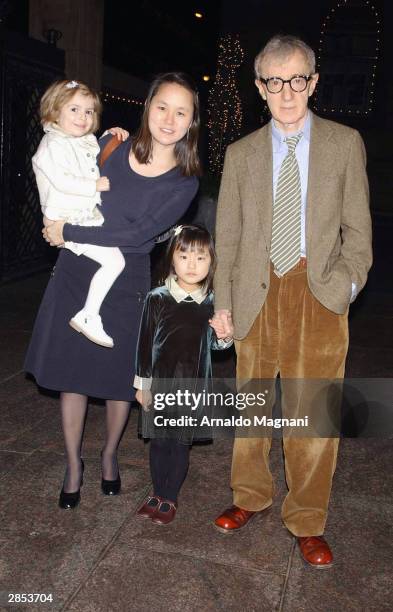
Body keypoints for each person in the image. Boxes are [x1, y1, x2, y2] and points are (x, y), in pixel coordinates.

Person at [212, 35, 372, 568]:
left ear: (314, 82)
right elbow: (228, 237)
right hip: (256, 290)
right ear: (260, 87)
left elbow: (359, 231)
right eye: (275, 81)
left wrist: (344, 287)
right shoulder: (240, 154)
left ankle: (307, 520)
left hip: (317, 291)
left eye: (297, 78)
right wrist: (223, 303)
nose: (287, 91)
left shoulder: (345, 143)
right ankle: (250, 496)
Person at [25, 72, 201, 510]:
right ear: (148, 106)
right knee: (73, 373)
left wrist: (68, 229)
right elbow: (65, 164)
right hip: (78, 267)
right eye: (162, 106)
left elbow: (137, 234)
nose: (169, 118)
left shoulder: (185, 181)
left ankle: (108, 456)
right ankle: (73, 464)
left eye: (181, 112)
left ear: (191, 122)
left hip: (125, 278)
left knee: (119, 380)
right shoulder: (111, 146)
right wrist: (65, 225)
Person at [134, 225, 234, 525]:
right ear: (172, 259)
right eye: (184, 255)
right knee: (158, 442)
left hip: (192, 387)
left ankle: (170, 497)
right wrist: (142, 385)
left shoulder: (212, 302)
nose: (192, 265)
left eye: (201, 257)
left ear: (211, 262)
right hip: (160, 384)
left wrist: (225, 335)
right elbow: (144, 342)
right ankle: (156, 491)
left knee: (178, 444)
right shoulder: (158, 298)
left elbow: (216, 345)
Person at [33, 79, 127, 348]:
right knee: (115, 262)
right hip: (66, 219)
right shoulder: (51, 144)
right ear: (54, 111)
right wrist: (93, 185)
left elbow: (95, 153)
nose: (82, 117)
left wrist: (109, 135)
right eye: (74, 109)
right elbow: (62, 180)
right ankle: (89, 314)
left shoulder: (81, 141)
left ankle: (89, 312)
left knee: (113, 260)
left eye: (88, 111)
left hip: (83, 215)